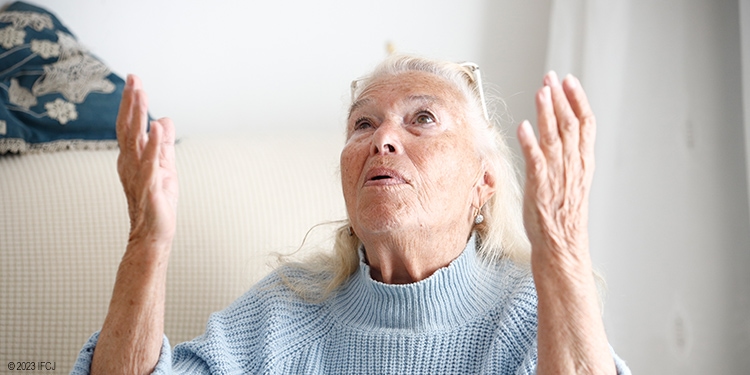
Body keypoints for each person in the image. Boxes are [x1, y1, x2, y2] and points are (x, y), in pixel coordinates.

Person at [72, 55, 631, 374]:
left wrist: (562, 249)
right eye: (363, 124)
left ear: (482, 183)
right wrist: (147, 239)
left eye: (423, 120)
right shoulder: (286, 311)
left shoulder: (531, 314)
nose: (382, 139)